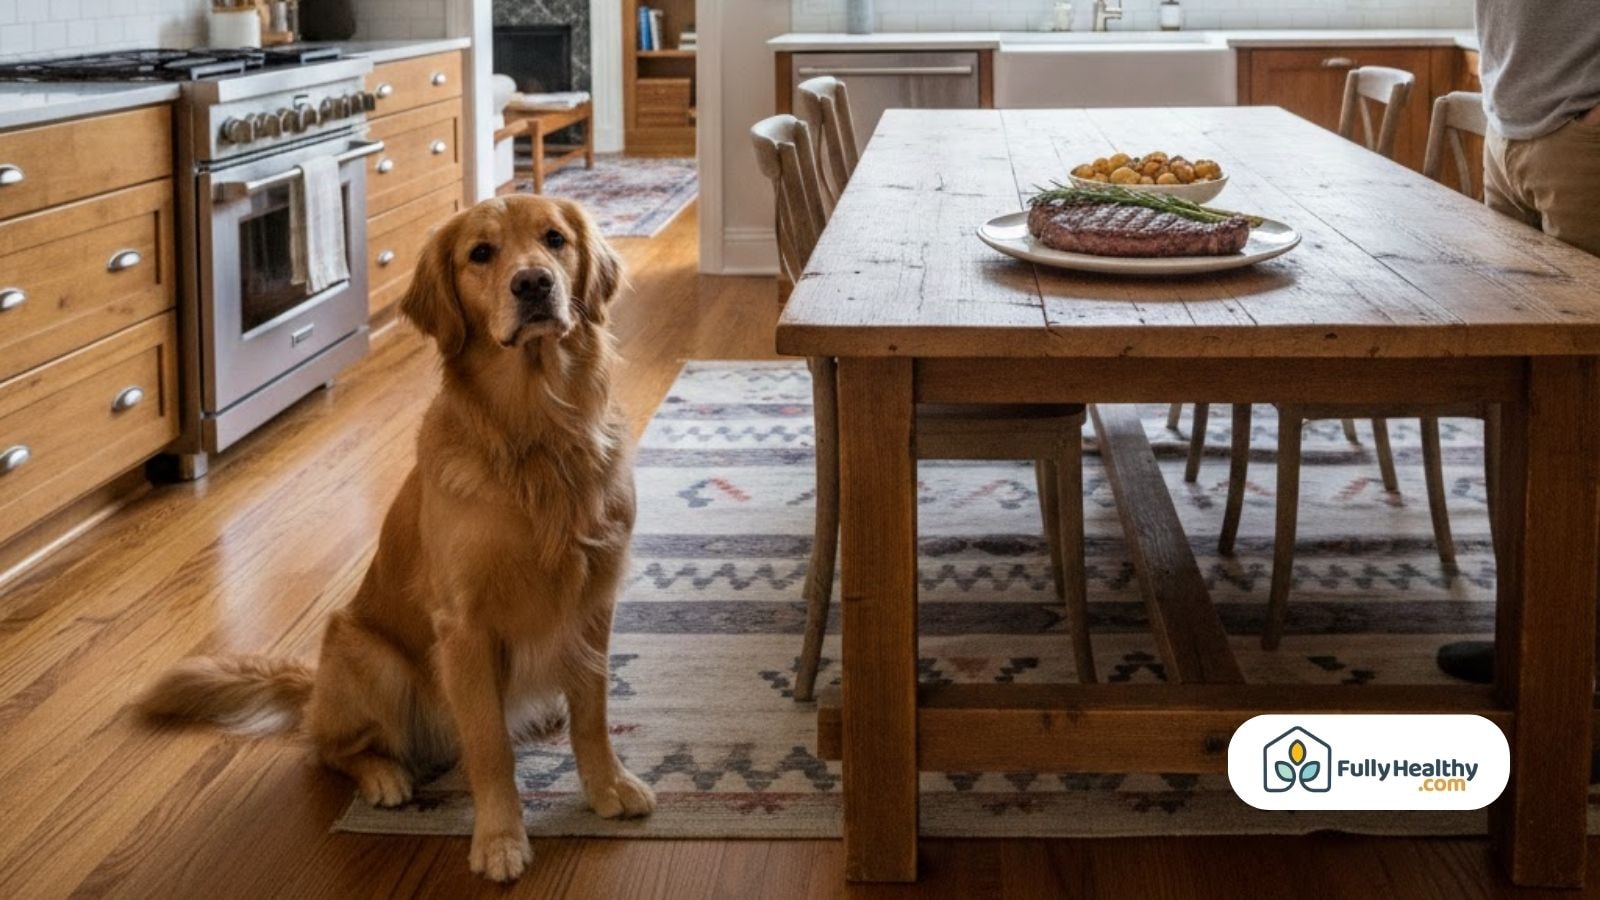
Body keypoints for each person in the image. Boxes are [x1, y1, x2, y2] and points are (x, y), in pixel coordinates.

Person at [1436, 3, 1600, 685]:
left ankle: (1582, 695)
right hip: (1510, 127)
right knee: (1517, 396)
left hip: (1582, 131)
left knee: (1589, 411)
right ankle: (1532, 640)